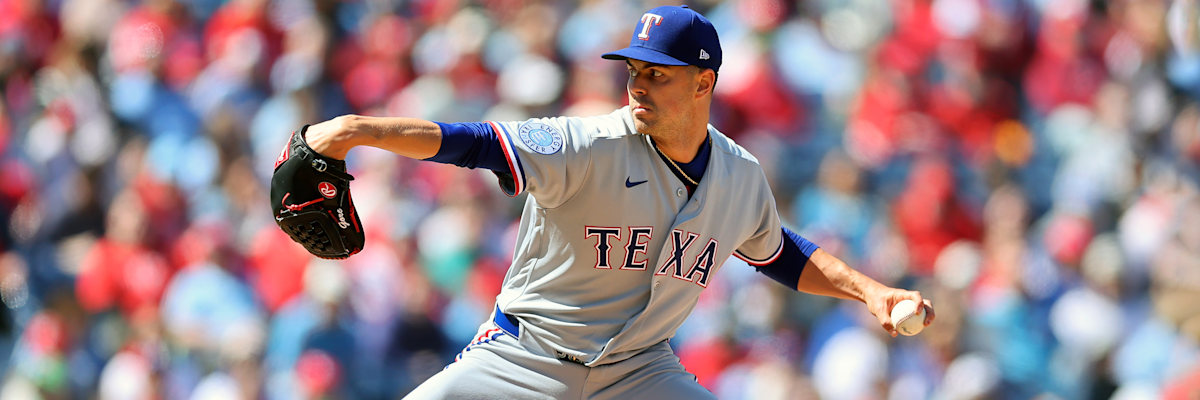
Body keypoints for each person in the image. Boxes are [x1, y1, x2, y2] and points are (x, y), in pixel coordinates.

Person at [302, 5, 934, 399]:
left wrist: (870, 293)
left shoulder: (740, 174)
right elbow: (477, 144)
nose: (637, 84)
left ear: (704, 83)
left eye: (656, 73)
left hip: (639, 374)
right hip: (525, 359)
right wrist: (357, 130)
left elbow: (779, 255)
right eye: (633, 69)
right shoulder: (589, 141)